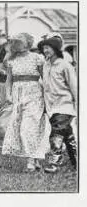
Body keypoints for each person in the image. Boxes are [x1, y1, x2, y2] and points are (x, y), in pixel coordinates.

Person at [2, 33, 51, 172]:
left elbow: (45, 78)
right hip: (18, 95)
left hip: (35, 95)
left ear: (27, 44)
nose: (17, 45)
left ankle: (30, 161)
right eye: (15, 42)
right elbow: (9, 80)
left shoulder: (37, 58)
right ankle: (35, 160)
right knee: (22, 128)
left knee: (28, 127)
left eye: (19, 42)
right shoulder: (12, 60)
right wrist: (8, 95)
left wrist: (48, 96)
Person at [38, 37, 78, 173]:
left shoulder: (65, 65)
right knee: (67, 135)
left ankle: (54, 164)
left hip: (64, 105)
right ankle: (77, 161)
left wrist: (78, 103)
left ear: (55, 49)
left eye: (48, 48)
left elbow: (74, 86)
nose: (45, 51)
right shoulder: (46, 65)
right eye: (44, 48)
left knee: (56, 134)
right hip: (52, 107)